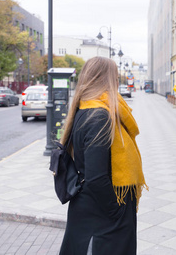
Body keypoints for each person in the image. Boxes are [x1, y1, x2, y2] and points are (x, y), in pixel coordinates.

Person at [59, 57, 147, 255]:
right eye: (114, 76)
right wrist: (116, 212)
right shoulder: (99, 116)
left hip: (88, 208)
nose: (116, 80)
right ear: (107, 79)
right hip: (101, 215)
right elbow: (97, 178)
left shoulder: (85, 108)